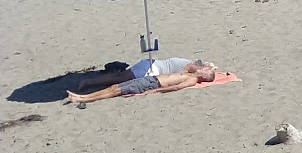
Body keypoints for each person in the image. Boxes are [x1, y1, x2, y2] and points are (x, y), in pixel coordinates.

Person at [66, 61, 218, 104]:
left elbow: (176, 87)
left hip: (152, 84)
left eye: (206, 72)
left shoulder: (191, 79)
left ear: (204, 77)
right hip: (150, 79)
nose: (203, 70)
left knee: (116, 90)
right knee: (115, 86)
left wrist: (154, 91)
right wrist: (208, 66)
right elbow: (196, 66)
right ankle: (83, 96)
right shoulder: (190, 72)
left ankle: (84, 98)